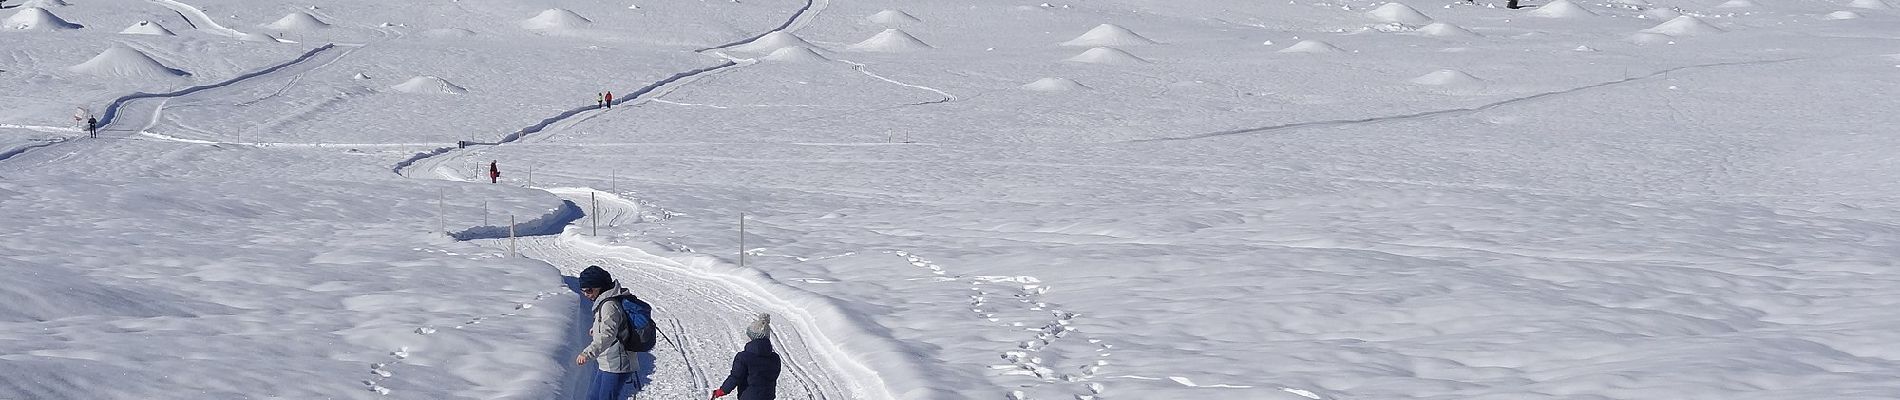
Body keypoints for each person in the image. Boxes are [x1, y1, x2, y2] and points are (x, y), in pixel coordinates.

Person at [576, 266, 639, 400]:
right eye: (583, 291)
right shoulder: (604, 301)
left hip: (617, 364)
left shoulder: (609, 305)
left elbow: (607, 335)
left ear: (600, 287)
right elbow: (608, 325)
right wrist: (596, 329)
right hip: (608, 362)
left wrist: (587, 353)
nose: (586, 294)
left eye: (589, 290)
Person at [712, 313, 780, 400]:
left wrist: (722, 390)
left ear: (752, 338)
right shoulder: (775, 358)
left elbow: (735, 377)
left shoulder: (743, 357)